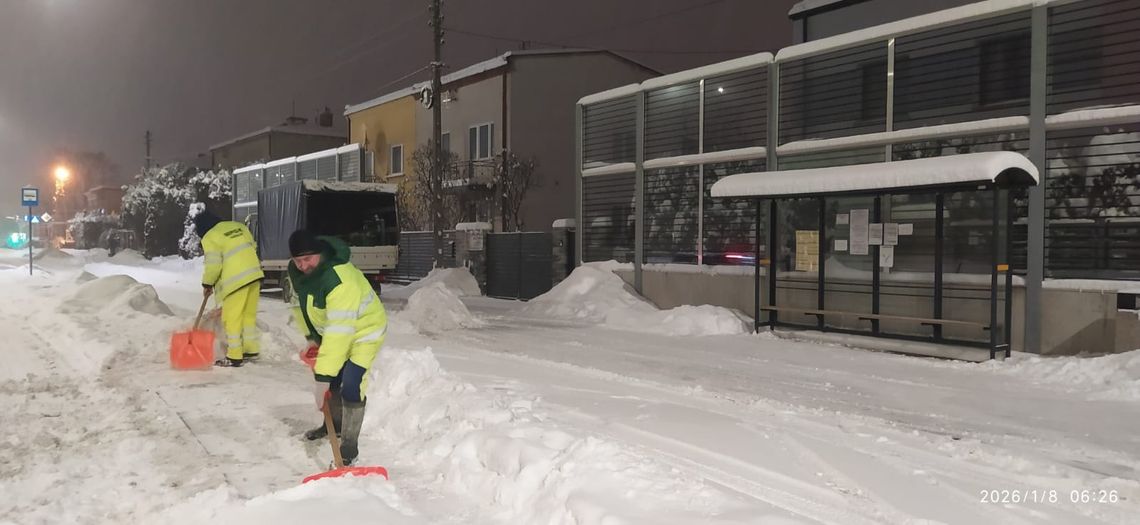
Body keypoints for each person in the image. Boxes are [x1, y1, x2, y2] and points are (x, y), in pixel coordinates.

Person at [288, 230, 387, 466]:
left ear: (320, 254)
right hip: (335, 331)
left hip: (365, 332)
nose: (303, 266)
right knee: (332, 381)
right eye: (297, 261)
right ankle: (333, 425)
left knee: (352, 383)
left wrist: (322, 376)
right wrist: (311, 336)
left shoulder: (339, 279)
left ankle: (349, 448)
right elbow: (299, 305)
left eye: (308, 259)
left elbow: (339, 332)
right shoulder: (299, 274)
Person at [194, 210, 264, 367]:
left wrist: (207, 283)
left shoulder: (210, 236)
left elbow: (213, 264)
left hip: (235, 281)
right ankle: (250, 349)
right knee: (248, 315)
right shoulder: (238, 226)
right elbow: (252, 245)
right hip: (254, 275)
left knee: (232, 317)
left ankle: (234, 355)